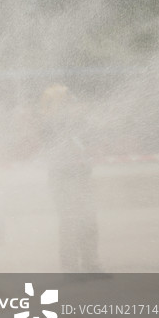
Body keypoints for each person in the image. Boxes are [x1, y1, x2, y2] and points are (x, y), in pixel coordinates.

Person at [40, 83, 101, 273]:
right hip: (62, 178)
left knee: (89, 220)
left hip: (80, 176)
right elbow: (58, 131)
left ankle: (91, 265)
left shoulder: (76, 122)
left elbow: (85, 138)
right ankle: (71, 268)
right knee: (70, 222)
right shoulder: (49, 124)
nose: (71, 103)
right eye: (65, 100)